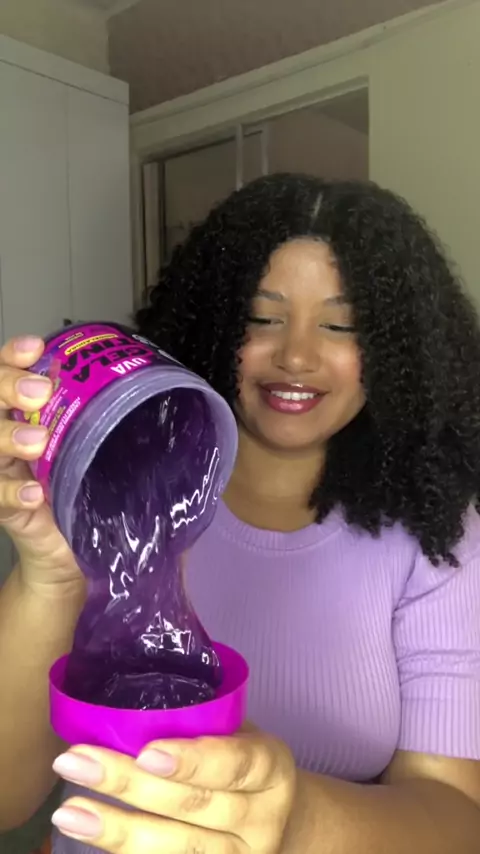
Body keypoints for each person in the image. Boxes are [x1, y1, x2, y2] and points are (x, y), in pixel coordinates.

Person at [1, 173, 480, 854]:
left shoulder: (435, 537)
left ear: (396, 350)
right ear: (215, 319)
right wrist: (50, 574)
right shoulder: (116, 497)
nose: (296, 356)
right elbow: (5, 799)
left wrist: (295, 818)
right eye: (261, 318)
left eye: (341, 325)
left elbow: (457, 818)